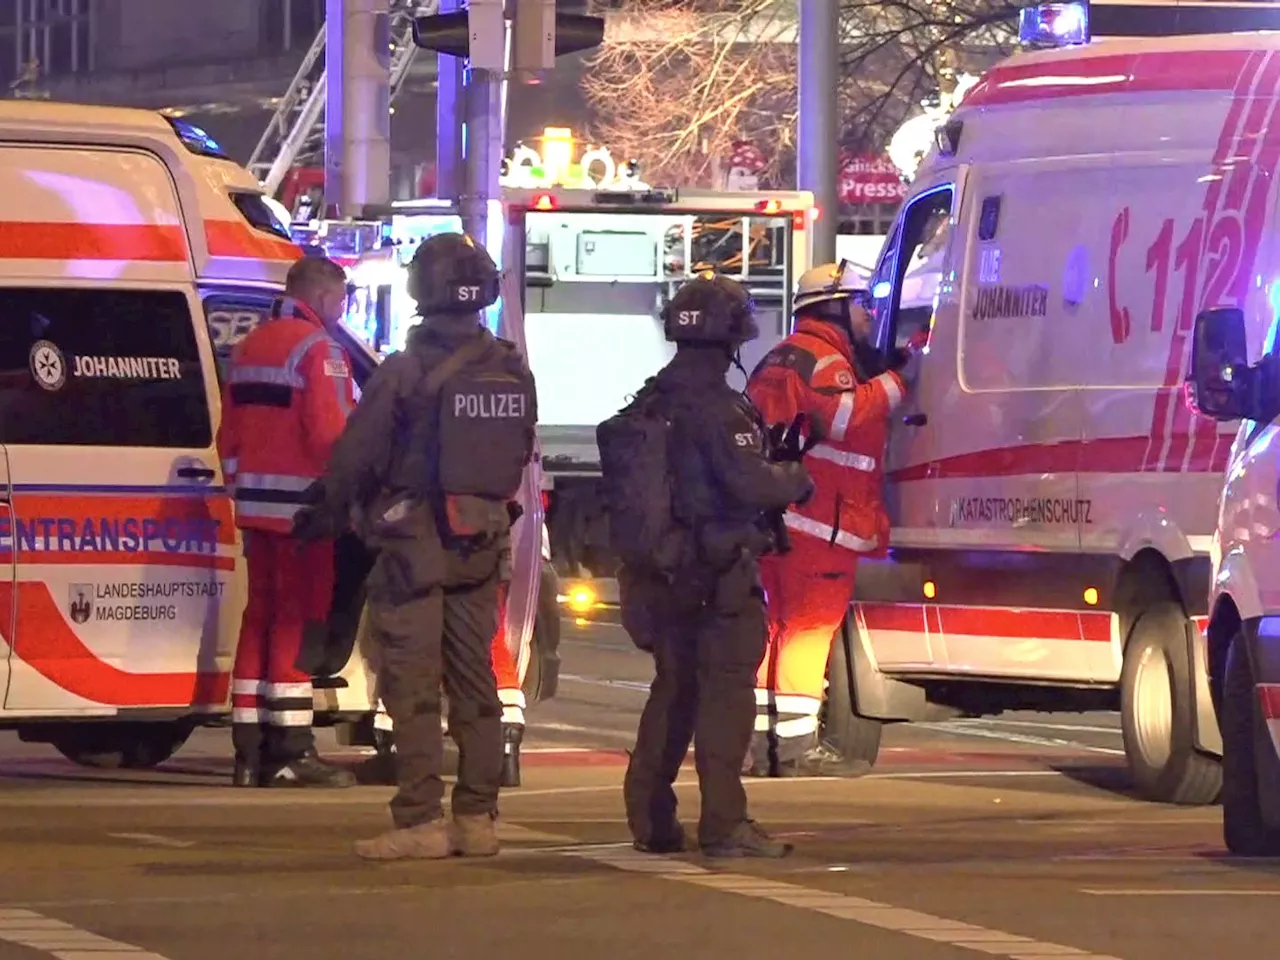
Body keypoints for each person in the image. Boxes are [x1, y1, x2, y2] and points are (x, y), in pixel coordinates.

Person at [293, 231, 538, 860]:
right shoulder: (511, 365)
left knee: (413, 685)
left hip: (413, 542)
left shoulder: (406, 369)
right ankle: (478, 818)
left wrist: (326, 508)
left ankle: (421, 820)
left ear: (422, 290)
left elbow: (360, 451)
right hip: (481, 536)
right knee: (477, 681)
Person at [606, 272, 814, 858]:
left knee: (673, 689)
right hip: (719, 575)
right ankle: (725, 823)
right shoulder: (721, 407)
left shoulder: (652, 397)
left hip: (663, 572)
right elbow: (748, 482)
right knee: (726, 695)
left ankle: (650, 815)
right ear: (732, 337)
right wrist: (794, 477)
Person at [744, 261, 919, 777]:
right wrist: (896, 380)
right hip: (822, 522)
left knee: (775, 631)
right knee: (807, 631)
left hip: (782, 521)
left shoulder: (784, 356)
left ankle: (763, 747)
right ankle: (796, 751)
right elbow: (841, 418)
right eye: (863, 305)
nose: (869, 317)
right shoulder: (826, 361)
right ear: (835, 306)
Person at [217, 255, 358, 789]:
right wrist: (348, 492)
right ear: (323, 297)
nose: (340, 313)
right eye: (341, 302)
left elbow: (228, 436)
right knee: (298, 623)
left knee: (260, 618)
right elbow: (331, 438)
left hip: (255, 510)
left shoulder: (250, 345)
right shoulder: (319, 350)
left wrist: (242, 491)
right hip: (305, 510)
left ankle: (248, 751)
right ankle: (292, 749)